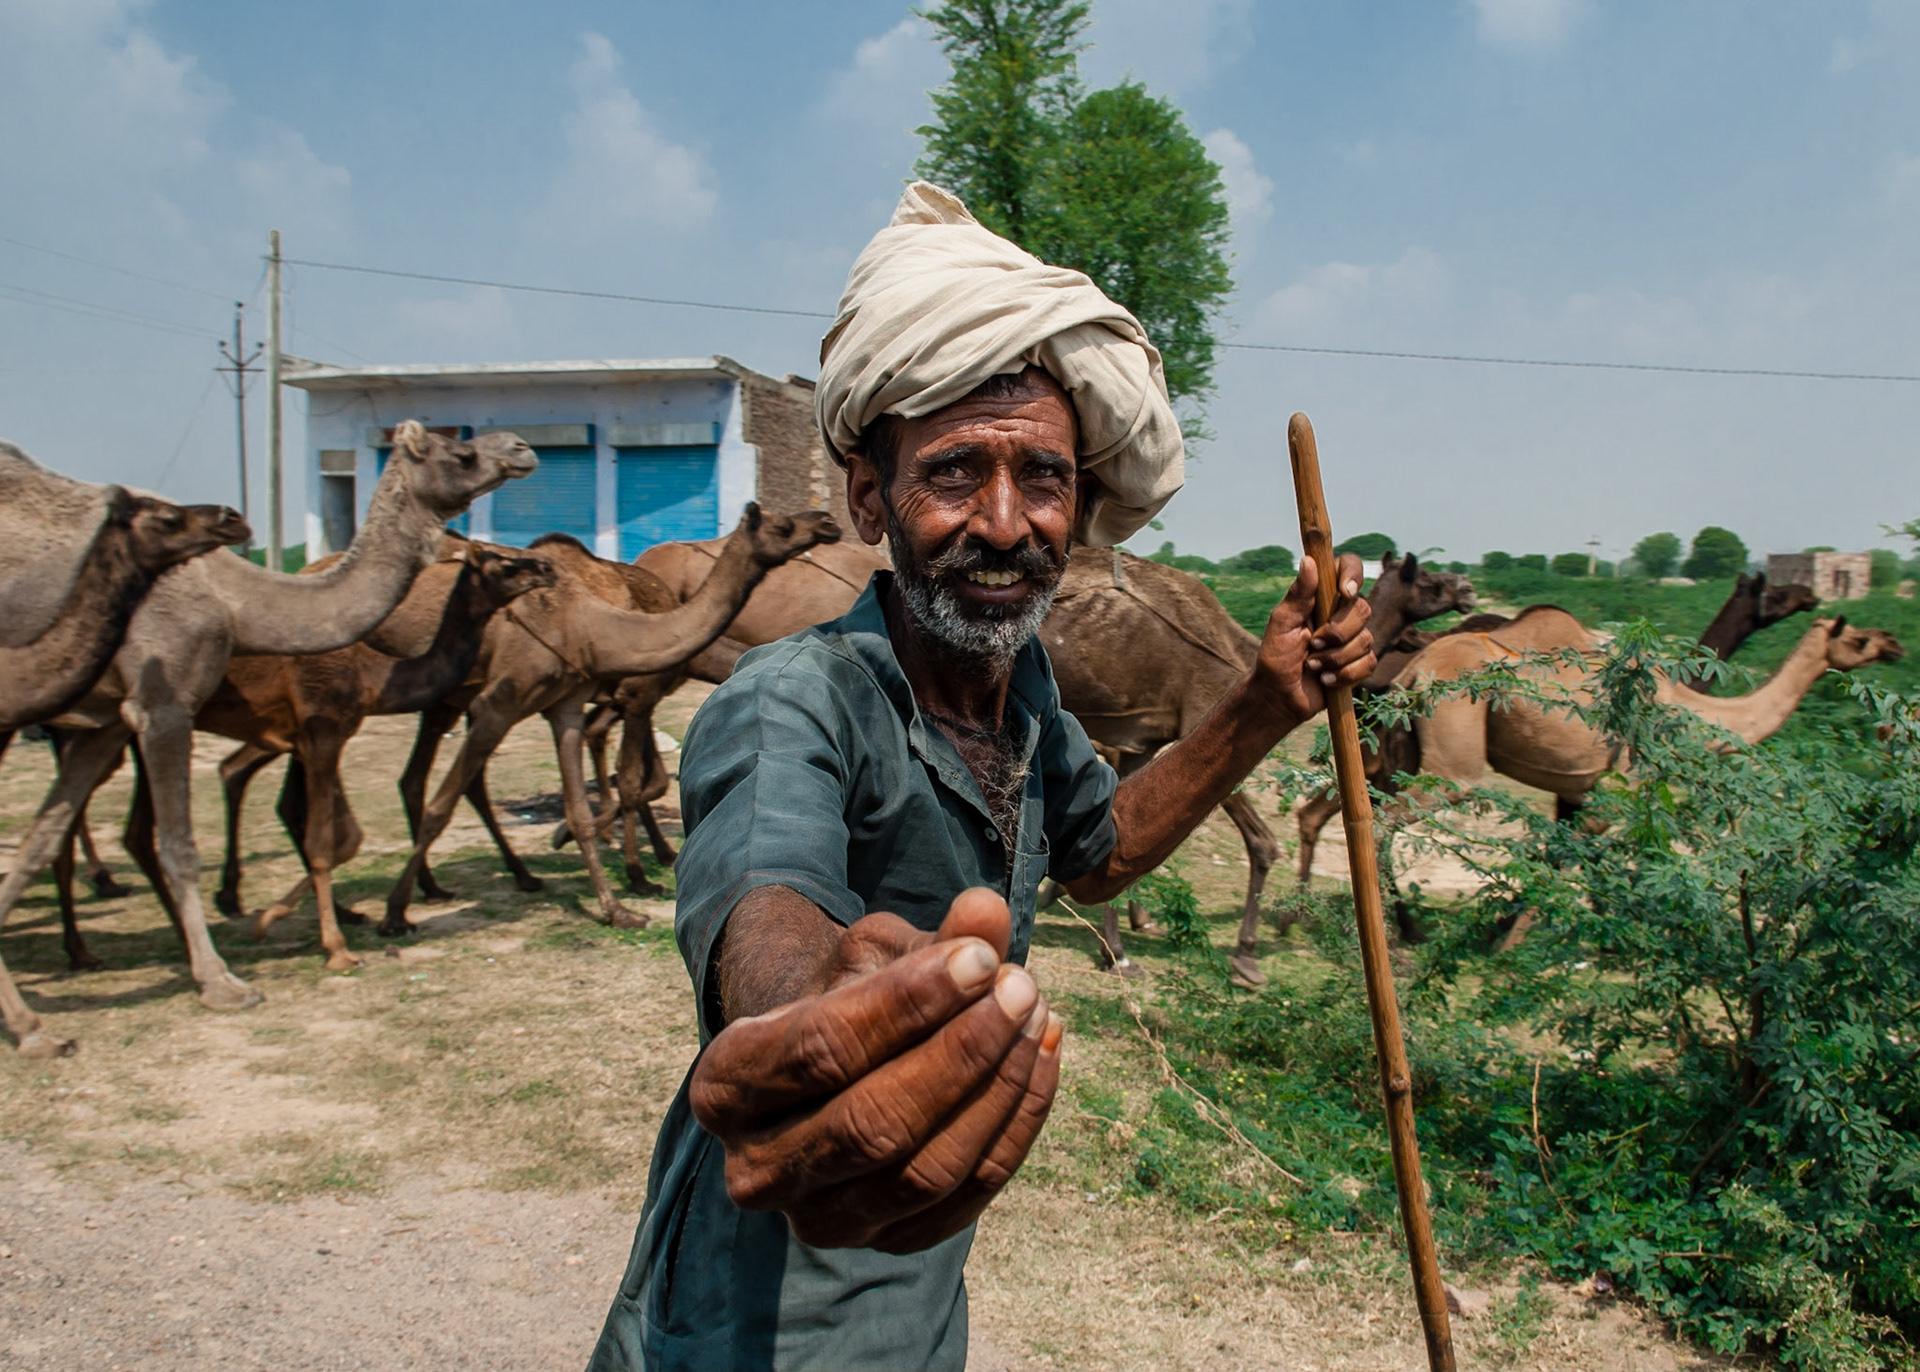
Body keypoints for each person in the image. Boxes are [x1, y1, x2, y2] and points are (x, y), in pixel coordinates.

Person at [588, 183, 1374, 1372]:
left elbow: (1099, 852)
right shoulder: (796, 695)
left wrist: (1267, 701)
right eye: (956, 472)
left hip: (924, 1288)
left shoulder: (1024, 694)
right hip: (756, 1302)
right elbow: (764, 902)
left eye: (1044, 480)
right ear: (869, 495)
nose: (1007, 524)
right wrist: (811, 1014)